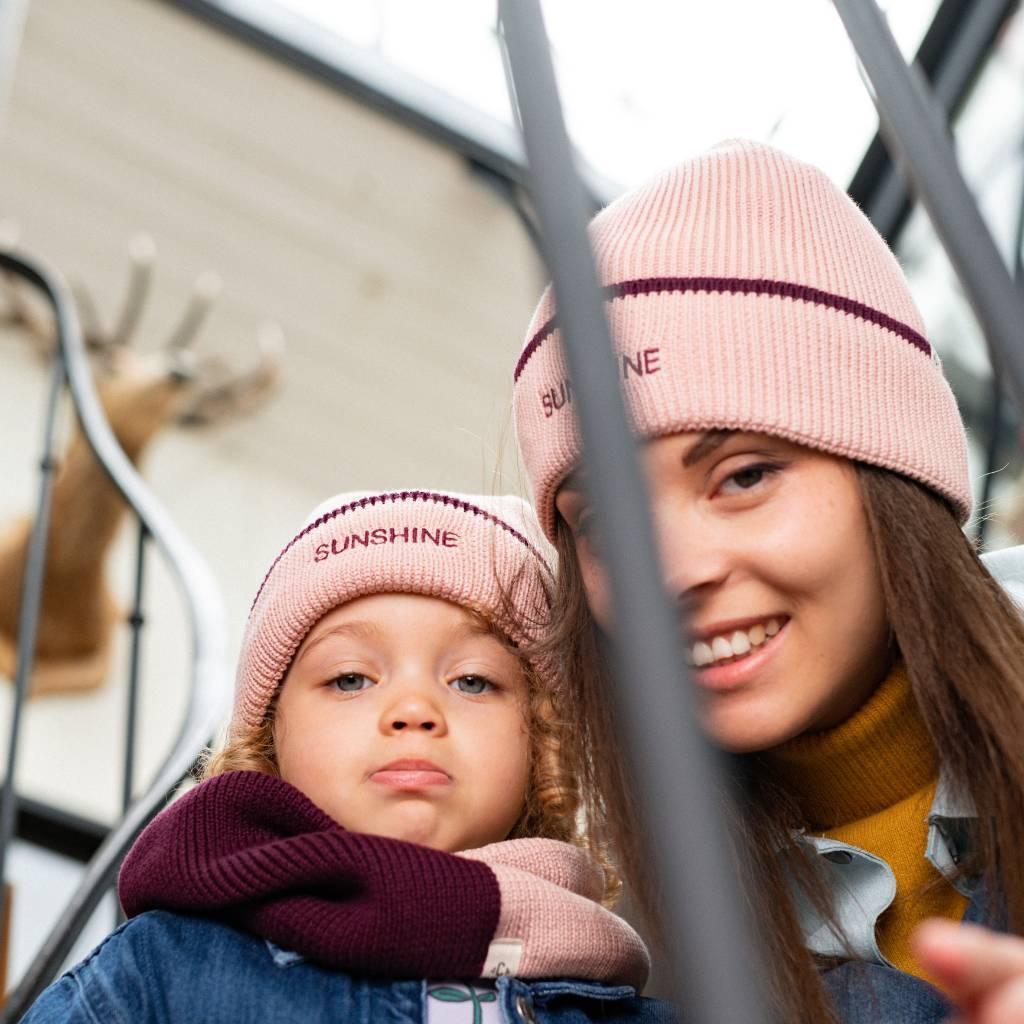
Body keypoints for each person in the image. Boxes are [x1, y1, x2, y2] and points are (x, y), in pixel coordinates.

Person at [511, 139, 1024, 1023]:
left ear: (893, 478)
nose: (674, 572)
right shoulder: (622, 971)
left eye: (744, 476)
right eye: (603, 522)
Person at [22, 489, 676, 1024]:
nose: (414, 709)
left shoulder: (615, 1008)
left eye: (473, 680)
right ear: (270, 738)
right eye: (351, 679)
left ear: (544, 748)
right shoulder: (160, 972)